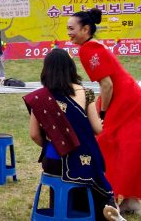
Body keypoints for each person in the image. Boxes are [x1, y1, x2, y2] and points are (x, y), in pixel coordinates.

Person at [68, 8, 141, 214]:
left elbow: (107, 85)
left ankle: (111, 198)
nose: (69, 33)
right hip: (129, 95)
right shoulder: (91, 46)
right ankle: (130, 200)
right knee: (127, 147)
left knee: (105, 142)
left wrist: (103, 113)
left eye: (72, 29)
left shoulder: (87, 49)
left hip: (123, 98)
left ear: (86, 29)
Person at [24, 49, 126, 221]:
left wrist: (54, 143)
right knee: (95, 172)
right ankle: (104, 207)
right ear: (71, 68)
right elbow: (97, 129)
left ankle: (62, 207)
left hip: (53, 161)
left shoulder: (41, 97)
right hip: (83, 158)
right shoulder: (85, 93)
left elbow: (34, 134)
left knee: (68, 169)